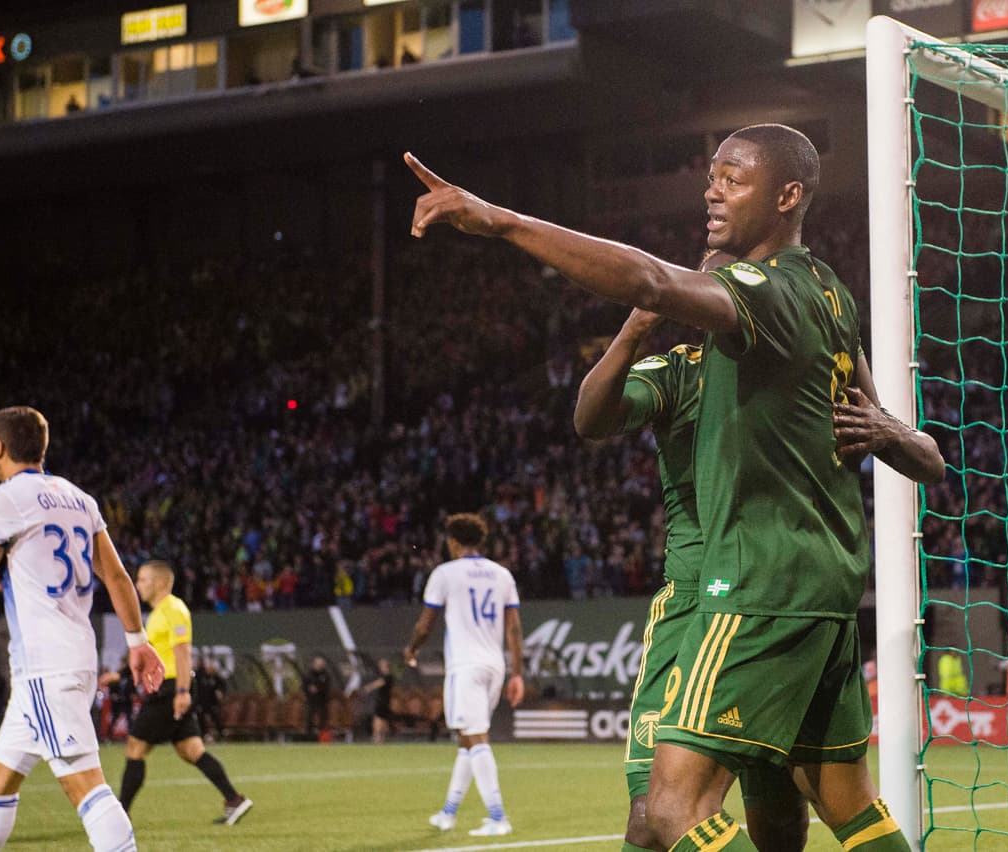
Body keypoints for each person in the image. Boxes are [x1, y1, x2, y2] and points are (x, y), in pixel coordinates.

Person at [405, 123, 945, 851]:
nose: (711, 189)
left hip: (750, 585)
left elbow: (651, 279)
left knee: (670, 808)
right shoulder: (828, 294)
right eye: (711, 174)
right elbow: (593, 416)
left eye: (733, 176)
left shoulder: (769, 291)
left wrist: (500, 220)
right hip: (825, 589)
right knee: (841, 799)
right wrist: (894, 437)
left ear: (787, 196)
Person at [574, 256, 811, 852]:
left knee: (779, 813)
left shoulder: (791, 371)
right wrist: (634, 329)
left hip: (770, 599)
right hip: (690, 606)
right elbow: (591, 419)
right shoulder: (676, 372)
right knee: (649, 815)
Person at [0, 405, 164, 852]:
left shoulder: (3, 500)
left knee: (85, 787)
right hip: (69, 660)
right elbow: (116, 576)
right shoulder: (79, 498)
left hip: (44, 669)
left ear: (0, 446)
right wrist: (138, 642)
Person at [404, 513, 524, 837]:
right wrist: (518, 674)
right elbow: (513, 629)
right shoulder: (502, 575)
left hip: (465, 665)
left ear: (453, 541)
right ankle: (448, 812)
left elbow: (425, 623)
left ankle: (498, 817)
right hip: (494, 665)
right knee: (468, 740)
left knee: (476, 738)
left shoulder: (445, 573)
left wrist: (412, 649)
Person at [119, 560, 253, 826]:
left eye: (143, 579)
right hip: (170, 687)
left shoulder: (173, 609)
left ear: (158, 583)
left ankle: (118, 817)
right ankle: (234, 799)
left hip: (170, 689)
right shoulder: (158, 613)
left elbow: (182, 652)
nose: (138, 585)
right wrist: (120, 676)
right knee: (191, 750)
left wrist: (181, 691)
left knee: (135, 748)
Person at [361, 657, 395, 744]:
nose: (380, 667)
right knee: (383, 719)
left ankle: (376, 737)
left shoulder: (388, 676)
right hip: (385, 701)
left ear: (386, 667)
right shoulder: (388, 676)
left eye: (382, 666)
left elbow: (379, 683)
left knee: (378, 719)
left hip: (382, 701)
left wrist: (368, 687)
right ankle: (381, 739)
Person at [101, 659, 137, 740]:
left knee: (130, 720)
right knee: (114, 719)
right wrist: (113, 695)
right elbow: (111, 688)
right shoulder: (116, 676)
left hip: (127, 702)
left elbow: (133, 687)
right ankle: (108, 737)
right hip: (117, 703)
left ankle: (131, 737)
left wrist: (133, 694)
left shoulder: (129, 677)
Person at [193, 658, 227, 743]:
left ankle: (221, 734)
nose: (211, 669)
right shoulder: (199, 675)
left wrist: (220, 692)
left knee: (216, 717)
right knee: (200, 718)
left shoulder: (215, 677)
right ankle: (203, 735)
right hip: (201, 702)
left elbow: (223, 686)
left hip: (212, 702)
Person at [302, 656, 333, 738]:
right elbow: (303, 687)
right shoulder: (308, 674)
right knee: (309, 717)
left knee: (323, 718)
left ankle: (322, 736)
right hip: (311, 700)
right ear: (314, 664)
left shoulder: (326, 674)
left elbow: (327, 687)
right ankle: (308, 736)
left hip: (322, 699)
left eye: (321, 664)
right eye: (318, 664)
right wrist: (309, 689)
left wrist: (318, 689)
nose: (320, 666)